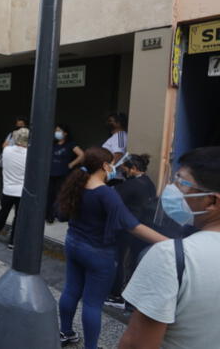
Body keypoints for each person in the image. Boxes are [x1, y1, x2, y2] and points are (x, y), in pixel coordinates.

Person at [56, 147, 167, 349]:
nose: (115, 167)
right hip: (98, 253)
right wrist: (168, 242)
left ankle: (65, 333)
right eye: (113, 163)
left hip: (73, 244)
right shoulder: (106, 193)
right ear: (105, 166)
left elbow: (62, 214)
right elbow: (132, 226)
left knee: (71, 290)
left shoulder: (77, 184)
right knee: (92, 303)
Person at [119, 147, 220, 349]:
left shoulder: (170, 257)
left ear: (211, 201)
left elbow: (136, 345)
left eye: (181, 182)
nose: (171, 188)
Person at [105, 154, 157, 309]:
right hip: (142, 227)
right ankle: (128, 295)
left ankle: (115, 295)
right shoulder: (148, 182)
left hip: (127, 229)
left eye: (125, 169)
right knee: (131, 262)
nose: (123, 172)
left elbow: (111, 198)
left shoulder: (131, 185)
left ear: (134, 169)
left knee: (119, 260)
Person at [0, 127, 29, 249]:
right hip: (22, 191)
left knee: (3, 212)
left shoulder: (7, 150)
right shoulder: (30, 155)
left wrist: (11, 137)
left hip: (8, 189)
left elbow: (5, 145)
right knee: (19, 217)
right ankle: (13, 242)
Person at [47, 124, 85, 223]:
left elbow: (82, 155)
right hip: (51, 173)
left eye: (59, 131)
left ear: (65, 133)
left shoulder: (70, 144)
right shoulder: (53, 144)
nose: (56, 133)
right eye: (56, 131)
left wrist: (71, 164)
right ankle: (49, 215)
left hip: (63, 174)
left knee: (61, 194)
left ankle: (60, 215)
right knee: (50, 195)